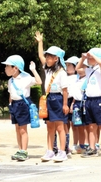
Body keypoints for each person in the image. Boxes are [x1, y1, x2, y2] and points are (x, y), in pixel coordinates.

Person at [35, 31, 69, 162]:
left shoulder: (62, 72)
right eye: (47, 56)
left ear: (56, 59)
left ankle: (62, 151)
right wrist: (40, 42)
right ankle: (50, 151)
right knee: (49, 126)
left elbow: (65, 90)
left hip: (59, 100)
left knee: (60, 127)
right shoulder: (47, 69)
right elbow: (40, 56)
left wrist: (65, 104)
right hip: (49, 99)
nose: (47, 59)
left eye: (49, 57)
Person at [1, 54, 42, 161]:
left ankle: (24, 151)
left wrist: (33, 70)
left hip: (23, 104)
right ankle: (20, 150)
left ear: (15, 68)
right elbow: (11, 95)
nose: (5, 69)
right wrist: (10, 109)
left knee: (23, 130)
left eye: (7, 66)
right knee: (17, 129)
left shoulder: (26, 78)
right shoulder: (10, 81)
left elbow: (39, 82)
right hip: (14, 105)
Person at [76, 47, 101, 158]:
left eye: (90, 58)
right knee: (91, 126)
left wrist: (93, 55)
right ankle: (92, 148)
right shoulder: (89, 70)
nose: (89, 59)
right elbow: (77, 68)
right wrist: (83, 58)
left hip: (99, 100)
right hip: (89, 100)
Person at [70, 59, 89, 154]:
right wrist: (73, 103)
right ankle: (81, 145)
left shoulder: (88, 79)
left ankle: (87, 144)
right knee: (79, 125)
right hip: (77, 103)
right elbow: (76, 93)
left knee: (87, 126)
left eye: (83, 67)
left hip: (85, 103)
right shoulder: (77, 78)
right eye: (80, 67)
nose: (80, 69)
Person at [64, 56, 79, 156]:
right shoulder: (64, 76)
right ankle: (66, 145)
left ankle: (75, 144)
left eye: (69, 65)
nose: (67, 67)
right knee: (66, 124)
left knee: (75, 124)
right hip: (65, 100)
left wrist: (73, 103)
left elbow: (76, 91)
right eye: (67, 65)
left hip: (73, 100)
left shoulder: (77, 78)